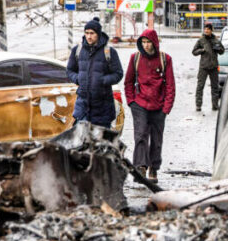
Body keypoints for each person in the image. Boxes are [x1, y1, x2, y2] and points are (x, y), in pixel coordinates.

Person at [124, 28, 175, 181]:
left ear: (154, 43)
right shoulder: (135, 58)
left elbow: (170, 85)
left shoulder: (165, 59)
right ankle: (140, 167)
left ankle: (153, 168)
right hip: (139, 104)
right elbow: (128, 82)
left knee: (156, 139)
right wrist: (131, 101)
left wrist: (167, 107)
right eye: (143, 42)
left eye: (148, 42)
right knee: (140, 135)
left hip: (159, 106)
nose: (146, 45)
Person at [66, 17, 123, 128]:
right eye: (86, 33)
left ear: (98, 34)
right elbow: (69, 70)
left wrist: (103, 80)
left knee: (100, 142)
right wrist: (78, 79)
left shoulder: (109, 52)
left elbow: (118, 73)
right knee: (82, 140)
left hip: (103, 106)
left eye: (92, 33)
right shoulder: (77, 50)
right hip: (83, 106)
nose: (89, 36)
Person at [192, 22, 224, 111]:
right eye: (205, 29)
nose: (206, 30)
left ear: (211, 30)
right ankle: (198, 105)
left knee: (215, 87)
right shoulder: (201, 40)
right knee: (200, 86)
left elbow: (222, 51)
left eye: (208, 29)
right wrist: (201, 50)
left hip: (214, 67)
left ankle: (215, 105)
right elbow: (194, 52)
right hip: (204, 67)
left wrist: (218, 49)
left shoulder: (216, 40)